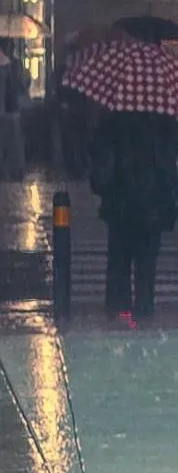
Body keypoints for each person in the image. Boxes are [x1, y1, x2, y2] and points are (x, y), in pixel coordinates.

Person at [87, 109, 178, 320]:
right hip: (152, 204)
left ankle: (121, 315)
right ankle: (143, 314)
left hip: (121, 203)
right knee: (146, 268)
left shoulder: (114, 120)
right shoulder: (164, 120)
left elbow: (99, 157)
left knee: (120, 263)